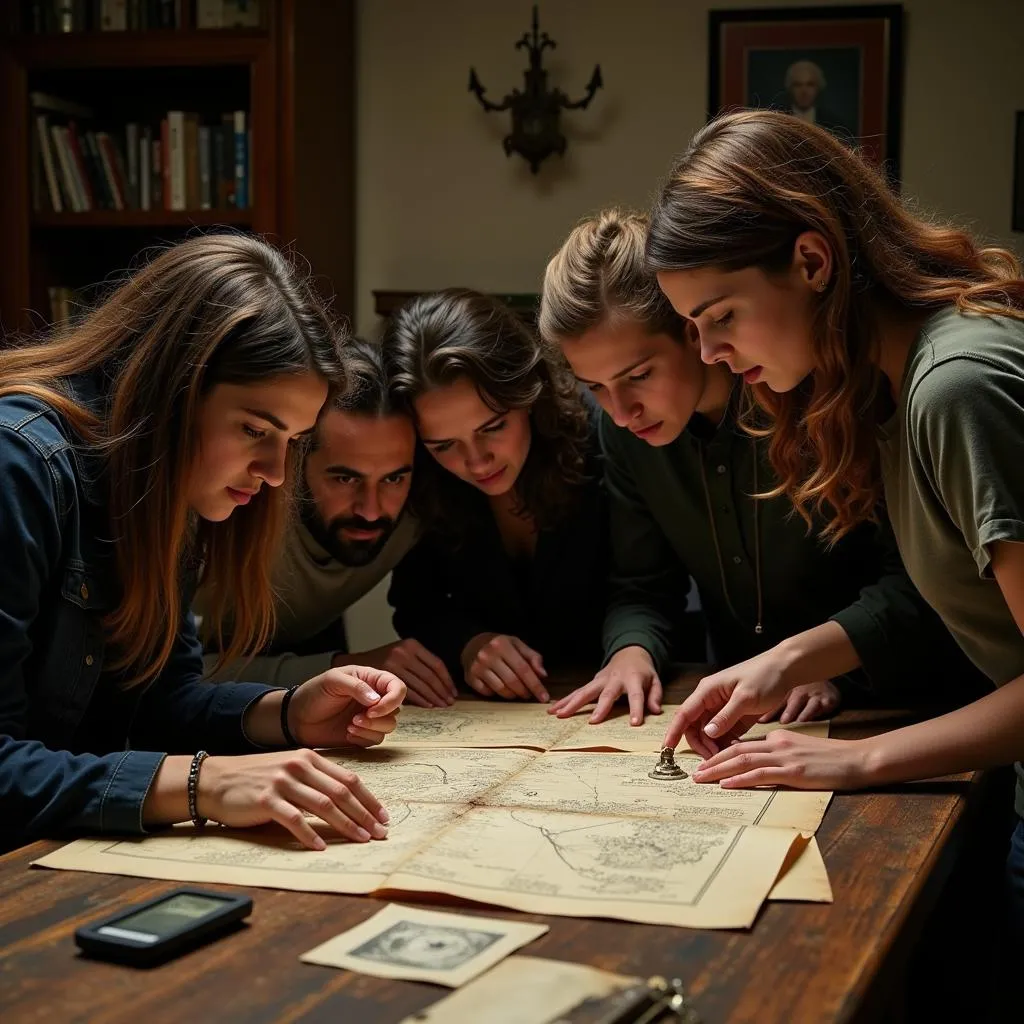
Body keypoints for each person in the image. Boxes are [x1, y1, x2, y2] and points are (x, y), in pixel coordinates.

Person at [644, 109, 1024, 962]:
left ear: (812, 260)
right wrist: (782, 662)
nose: (706, 353)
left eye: (721, 316)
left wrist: (857, 760)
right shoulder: (896, 384)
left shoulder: (955, 386)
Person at [0, 233, 405, 855]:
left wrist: (290, 711)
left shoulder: (166, 481)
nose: (275, 471)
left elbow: (161, 701)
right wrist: (202, 783)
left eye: (293, 441)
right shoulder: (18, 466)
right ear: (174, 391)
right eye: (254, 429)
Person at [538, 208, 987, 728]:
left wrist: (827, 668)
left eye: (638, 375)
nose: (619, 410)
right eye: (595, 386)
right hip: (747, 715)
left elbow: (919, 580)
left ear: (692, 330)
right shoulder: (624, 434)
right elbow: (642, 583)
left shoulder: (825, 396)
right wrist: (631, 649)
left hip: (909, 704)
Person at [197, 337, 454, 707]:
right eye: (345, 479)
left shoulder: (423, 507)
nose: (370, 509)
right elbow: (170, 681)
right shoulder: (232, 503)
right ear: (296, 460)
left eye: (394, 478)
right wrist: (340, 667)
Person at [382, 288, 609, 704]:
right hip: (492, 710)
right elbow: (415, 605)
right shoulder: (422, 476)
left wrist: (632, 650)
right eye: (444, 445)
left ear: (528, 392)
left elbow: (649, 585)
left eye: (492, 427)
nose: (477, 461)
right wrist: (469, 643)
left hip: (624, 694)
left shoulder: (603, 435)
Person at [775, 59, 846, 134]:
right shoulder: (778, 121)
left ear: (818, 87)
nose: (804, 91)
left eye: (810, 84)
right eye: (798, 85)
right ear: (790, 88)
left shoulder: (833, 124)